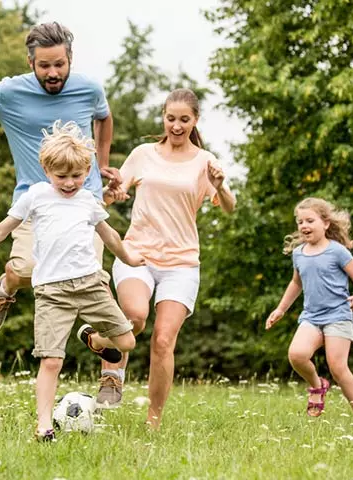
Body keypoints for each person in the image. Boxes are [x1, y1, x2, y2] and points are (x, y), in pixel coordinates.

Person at [0, 121, 144, 441]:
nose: (70, 183)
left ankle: (94, 339)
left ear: (86, 170)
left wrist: (130, 258)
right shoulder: (36, 197)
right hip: (52, 292)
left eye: (77, 176)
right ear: (46, 170)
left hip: (89, 285)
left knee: (127, 341)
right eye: (62, 176)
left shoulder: (89, 201)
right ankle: (44, 425)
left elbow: (110, 236)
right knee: (51, 360)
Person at [0, 22, 121, 334]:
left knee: (95, 282)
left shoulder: (89, 89)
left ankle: (110, 374)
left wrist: (101, 163)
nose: (53, 73)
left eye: (59, 64)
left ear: (70, 59)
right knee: (27, 270)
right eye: (44, 65)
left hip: (84, 200)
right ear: (31, 62)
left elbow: (103, 116)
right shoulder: (11, 92)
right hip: (34, 204)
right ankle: (8, 283)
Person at [93, 88, 236, 427]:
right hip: (137, 252)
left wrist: (222, 184)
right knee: (135, 316)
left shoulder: (205, 162)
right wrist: (111, 194)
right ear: (164, 118)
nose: (176, 126)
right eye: (170, 118)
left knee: (163, 340)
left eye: (184, 119)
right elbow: (110, 197)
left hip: (182, 263)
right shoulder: (144, 154)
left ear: (195, 120)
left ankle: (153, 420)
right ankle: (111, 370)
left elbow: (229, 208)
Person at [265, 197, 353, 420]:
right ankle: (316, 386)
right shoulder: (299, 254)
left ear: (326, 224)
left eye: (310, 220)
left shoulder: (337, 251)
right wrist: (280, 309)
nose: (304, 226)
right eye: (300, 221)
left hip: (338, 315)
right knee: (297, 354)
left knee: (338, 368)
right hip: (311, 316)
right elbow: (296, 283)